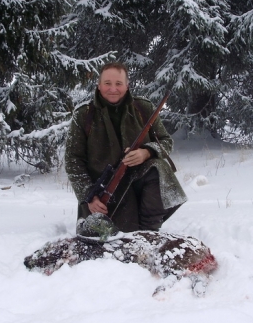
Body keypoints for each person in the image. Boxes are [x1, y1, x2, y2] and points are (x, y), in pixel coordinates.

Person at [65, 62, 187, 233]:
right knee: (104, 238)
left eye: (118, 84)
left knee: (159, 168)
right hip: (101, 193)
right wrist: (89, 197)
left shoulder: (143, 108)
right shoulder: (83, 115)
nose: (113, 89)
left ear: (127, 85)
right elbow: (73, 161)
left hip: (137, 184)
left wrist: (146, 152)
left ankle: (148, 231)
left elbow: (166, 141)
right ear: (99, 86)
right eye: (107, 83)